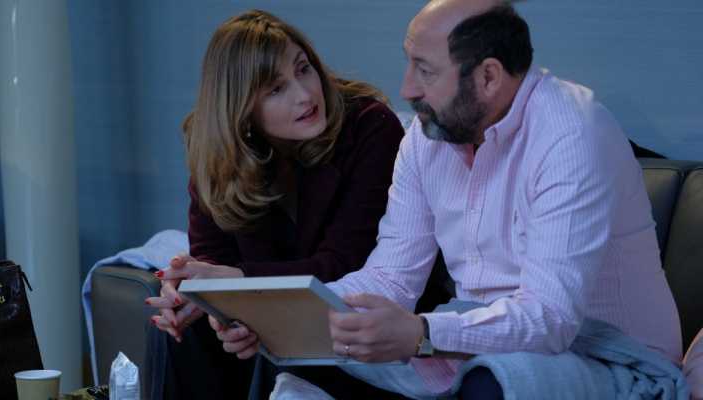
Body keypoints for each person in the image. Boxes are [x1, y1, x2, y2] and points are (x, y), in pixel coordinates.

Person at [215, 1, 687, 398]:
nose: (407, 88)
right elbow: (391, 276)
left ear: (488, 77)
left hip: (607, 356)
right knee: (307, 354)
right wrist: (279, 317)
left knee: (495, 380)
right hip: (471, 340)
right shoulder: (426, 139)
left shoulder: (572, 135)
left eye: (425, 71)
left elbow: (551, 319)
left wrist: (423, 335)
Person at [144, 9, 408, 400]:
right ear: (241, 108)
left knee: (286, 338)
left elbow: (345, 265)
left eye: (303, 69)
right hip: (271, 319)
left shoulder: (370, 126)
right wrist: (195, 297)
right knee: (178, 328)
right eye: (275, 89)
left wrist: (239, 283)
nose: (305, 95)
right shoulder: (217, 152)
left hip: (354, 317)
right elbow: (212, 259)